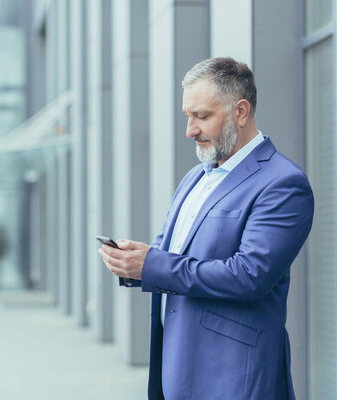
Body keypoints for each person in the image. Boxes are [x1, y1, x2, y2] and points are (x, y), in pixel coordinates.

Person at [98, 57, 314, 400]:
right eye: (188, 116)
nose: (190, 130)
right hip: (178, 367)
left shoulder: (283, 183)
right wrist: (135, 262)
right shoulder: (195, 177)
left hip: (234, 376)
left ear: (240, 112)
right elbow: (172, 255)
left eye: (202, 116)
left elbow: (250, 275)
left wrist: (151, 265)